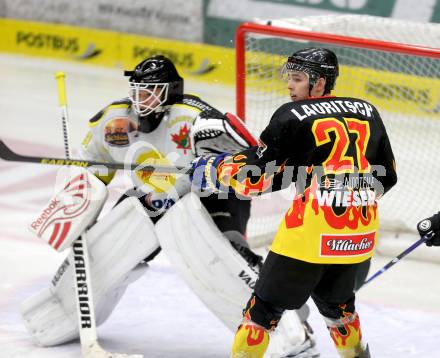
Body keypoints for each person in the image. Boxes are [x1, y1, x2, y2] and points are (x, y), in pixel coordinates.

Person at [21, 55, 318, 357]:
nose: (140, 100)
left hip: (212, 193)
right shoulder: (116, 121)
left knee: (228, 251)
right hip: (155, 195)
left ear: (171, 91)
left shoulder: (193, 117)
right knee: (116, 238)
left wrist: (220, 157)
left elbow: (253, 155)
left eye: (149, 92)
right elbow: (93, 168)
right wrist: (79, 194)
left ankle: (286, 322)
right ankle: (63, 306)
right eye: (136, 91)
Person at [191, 48, 398, 358]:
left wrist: (215, 168)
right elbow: (388, 177)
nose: (289, 85)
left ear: (320, 82)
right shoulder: (368, 110)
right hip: (358, 235)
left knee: (261, 314)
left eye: (297, 79)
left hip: (309, 234)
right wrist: (340, 189)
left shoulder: (290, 116)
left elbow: (254, 178)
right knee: (339, 311)